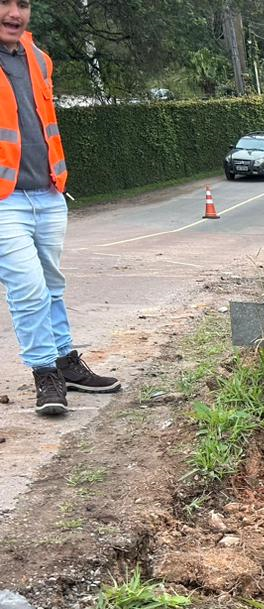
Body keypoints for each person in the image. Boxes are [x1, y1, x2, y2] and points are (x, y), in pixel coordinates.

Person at [1, 0, 119, 416]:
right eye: (4, 2)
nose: (15, 13)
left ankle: (66, 361)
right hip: (5, 201)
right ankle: (44, 372)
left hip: (48, 194)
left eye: (23, 4)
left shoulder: (39, 58)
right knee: (28, 289)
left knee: (51, 286)